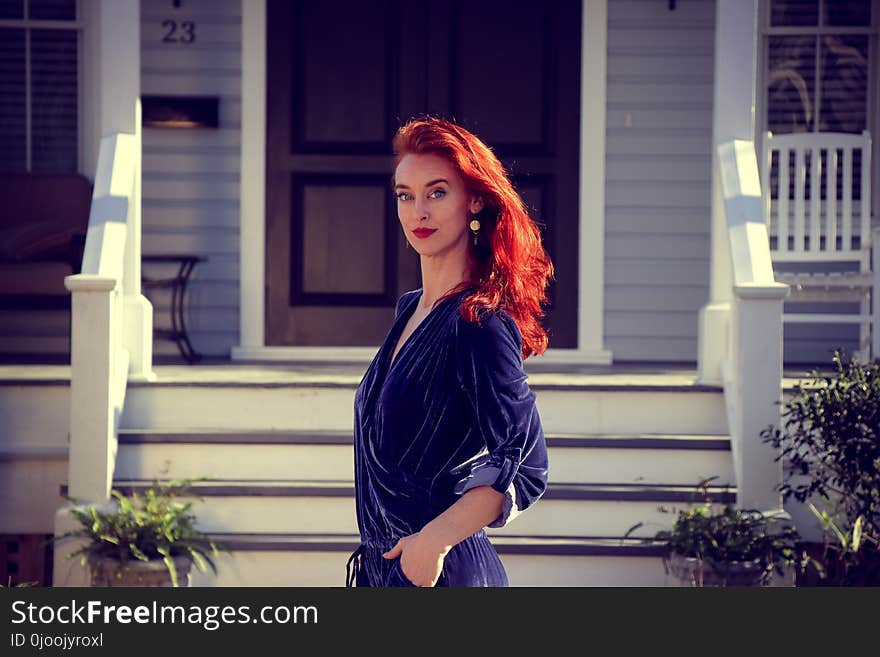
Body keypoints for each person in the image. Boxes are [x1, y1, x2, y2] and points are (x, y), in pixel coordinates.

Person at [345, 116, 553, 587]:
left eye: (437, 193)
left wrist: (435, 538)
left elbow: (527, 464)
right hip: (386, 571)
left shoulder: (479, 323)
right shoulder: (410, 310)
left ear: (474, 199)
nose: (418, 211)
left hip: (443, 574)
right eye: (405, 195)